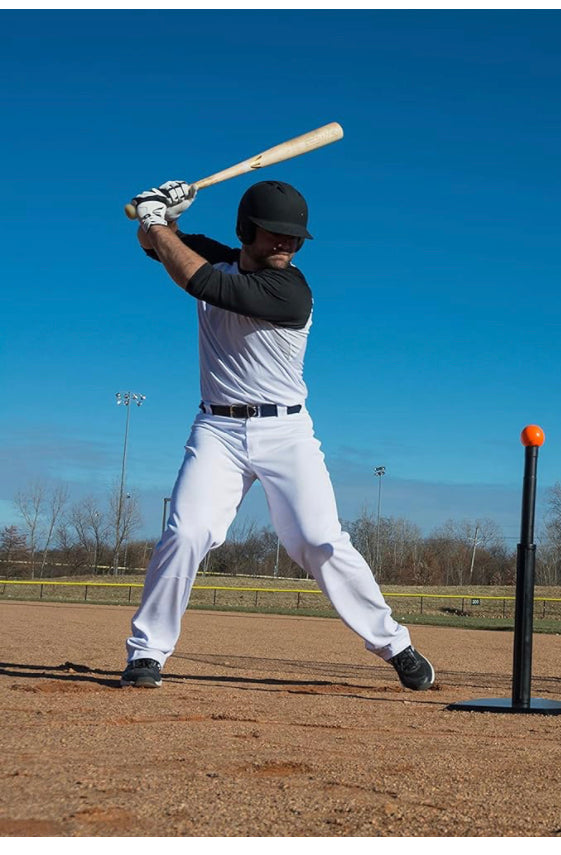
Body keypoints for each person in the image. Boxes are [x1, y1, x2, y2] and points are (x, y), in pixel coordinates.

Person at [120, 179, 434, 692]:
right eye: (275, 235)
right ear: (245, 230)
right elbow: (156, 246)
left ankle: (393, 643)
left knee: (317, 540)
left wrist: (156, 220)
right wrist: (162, 219)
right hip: (217, 429)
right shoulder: (215, 258)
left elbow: (199, 283)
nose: (286, 244)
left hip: (286, 430)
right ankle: (146, 654)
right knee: (186, 533)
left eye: (294, 238)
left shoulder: (290, 291)